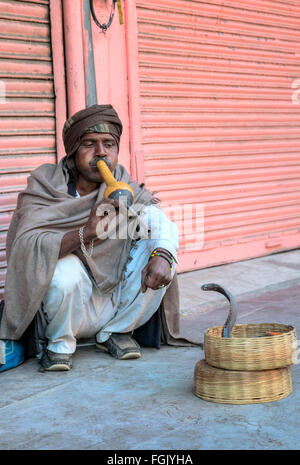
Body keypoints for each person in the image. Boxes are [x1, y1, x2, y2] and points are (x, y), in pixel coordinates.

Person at [0, 104, 194, 372]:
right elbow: (26, 247)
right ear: (73, 150)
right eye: (89, 144)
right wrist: (85, 234)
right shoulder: (46, 185)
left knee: (160, 247)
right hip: (65, 307)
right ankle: (60, 345)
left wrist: (163, 254)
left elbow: (156, 220)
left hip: (114, 302)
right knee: (64, 268)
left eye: (109, 144)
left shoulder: (123, 184)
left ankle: (115, 333)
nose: (101, 153)